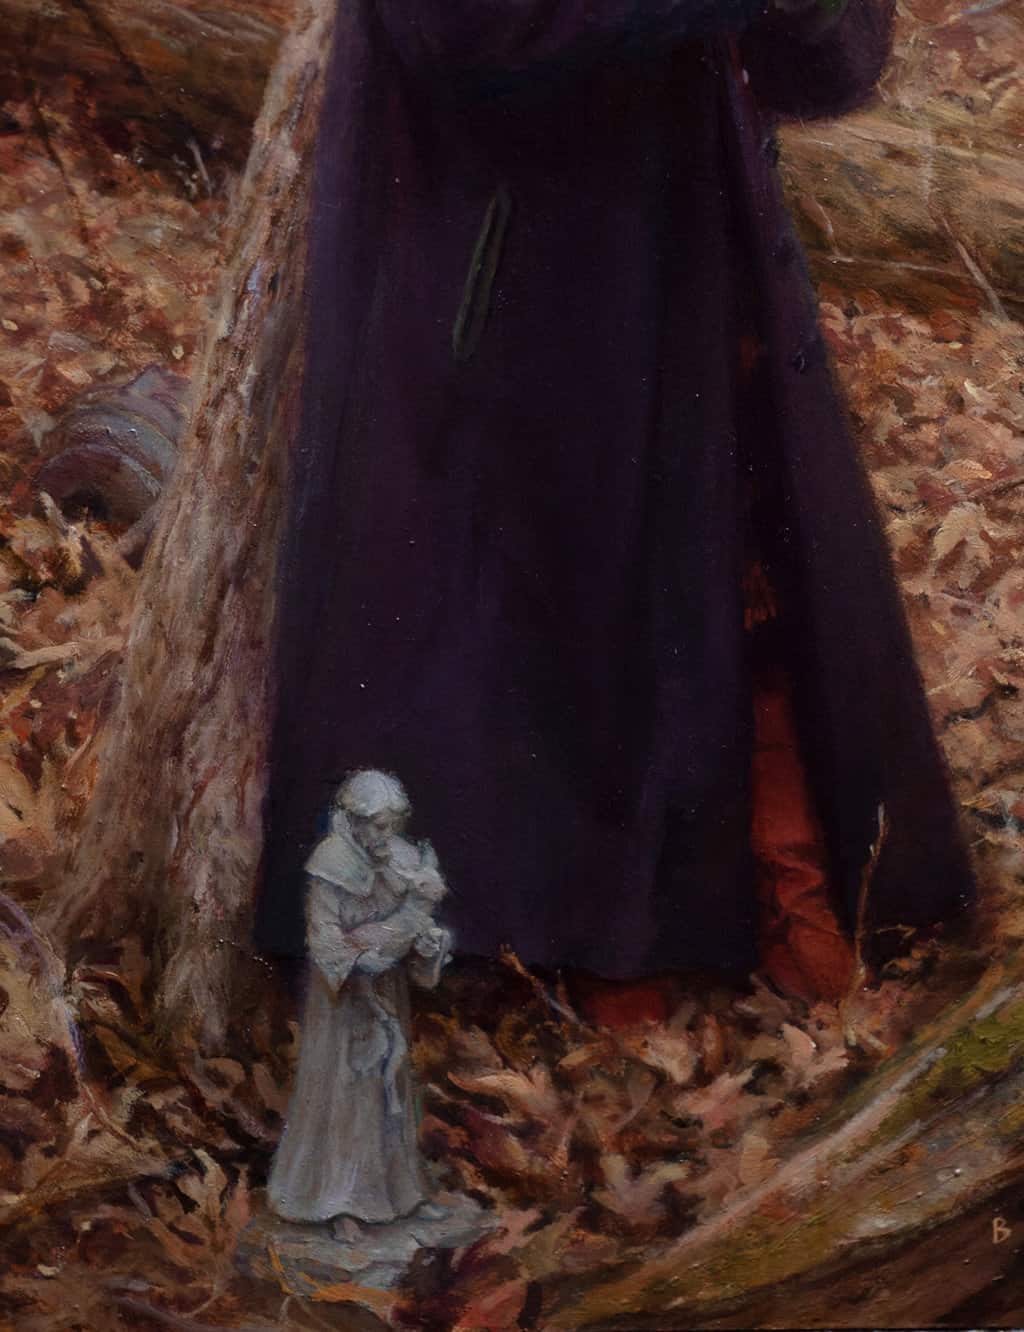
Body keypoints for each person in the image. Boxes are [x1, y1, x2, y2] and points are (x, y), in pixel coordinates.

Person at [259, 0, 974, 1009]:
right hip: (493, 278)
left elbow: (827, 70)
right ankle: (588, 947)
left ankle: (772, 887)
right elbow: (461, 36)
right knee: (538, 623)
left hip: (691, 259)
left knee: (735, 582)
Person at [267, 771, 453, 1229]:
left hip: (386, 990)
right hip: (342, 1003)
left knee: (387, 1095)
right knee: (344, 1093)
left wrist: (425, 946)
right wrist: (367, 952)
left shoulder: (404, 859)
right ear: (354, 821)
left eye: (393, 825)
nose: (386, 835)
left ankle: (399, 1194)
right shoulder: (330, 866)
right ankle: (337, 1202)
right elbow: (326, 941)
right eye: (378, 825)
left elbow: (412, 935)